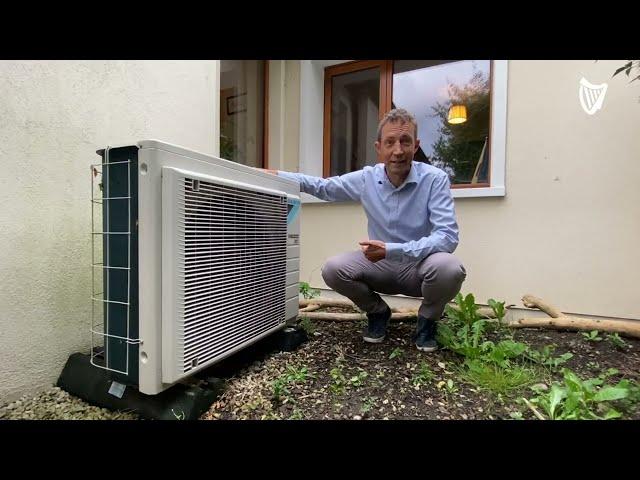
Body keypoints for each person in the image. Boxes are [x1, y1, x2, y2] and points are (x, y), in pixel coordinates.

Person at [273, 108, 466, 352]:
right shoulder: (367, 178)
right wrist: (277, 176)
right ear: (379, 147)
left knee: (449, 268)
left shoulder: (434, 179)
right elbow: (323, 187)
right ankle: (378, 312)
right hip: (380, 265)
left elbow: (447, 237)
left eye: (405, 141)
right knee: (333, 269)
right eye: (390, 142)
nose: (398, 150)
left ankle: (427, 320)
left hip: (419, 265)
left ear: (415, 146)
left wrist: (392, 250)